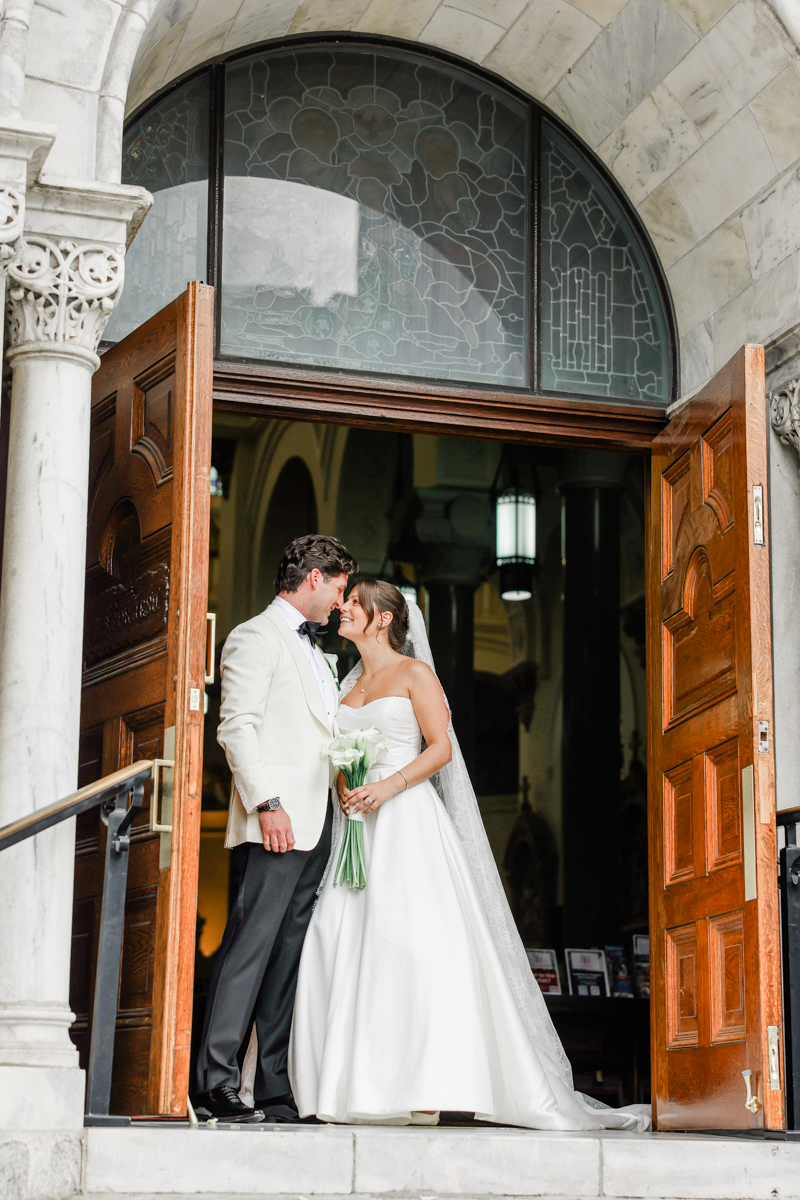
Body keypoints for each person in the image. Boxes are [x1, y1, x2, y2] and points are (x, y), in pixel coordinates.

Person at [286, 578, 650, 1131]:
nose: (344, 607)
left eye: (356, 602)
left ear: (384, 618)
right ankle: (347, 1085)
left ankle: (423, 1087)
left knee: (409, 945)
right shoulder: (348, 683)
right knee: (337, 939)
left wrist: (388, 786)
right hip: (359, 825)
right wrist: (346, 784)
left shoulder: (415, 674)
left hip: (405, 821)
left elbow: (441, 749)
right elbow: (339, 751)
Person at [195, 534, 357, 1123]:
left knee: (289, 955)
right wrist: (267, 803)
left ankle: (271, 1085)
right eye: (339, 588)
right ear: (315, 578)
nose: (341, 602)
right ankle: (214, 1080)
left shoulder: (318, 651)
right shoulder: (253, 636)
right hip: (276, 821)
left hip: (320, 822)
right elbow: (235, 726)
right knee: (250, 947)